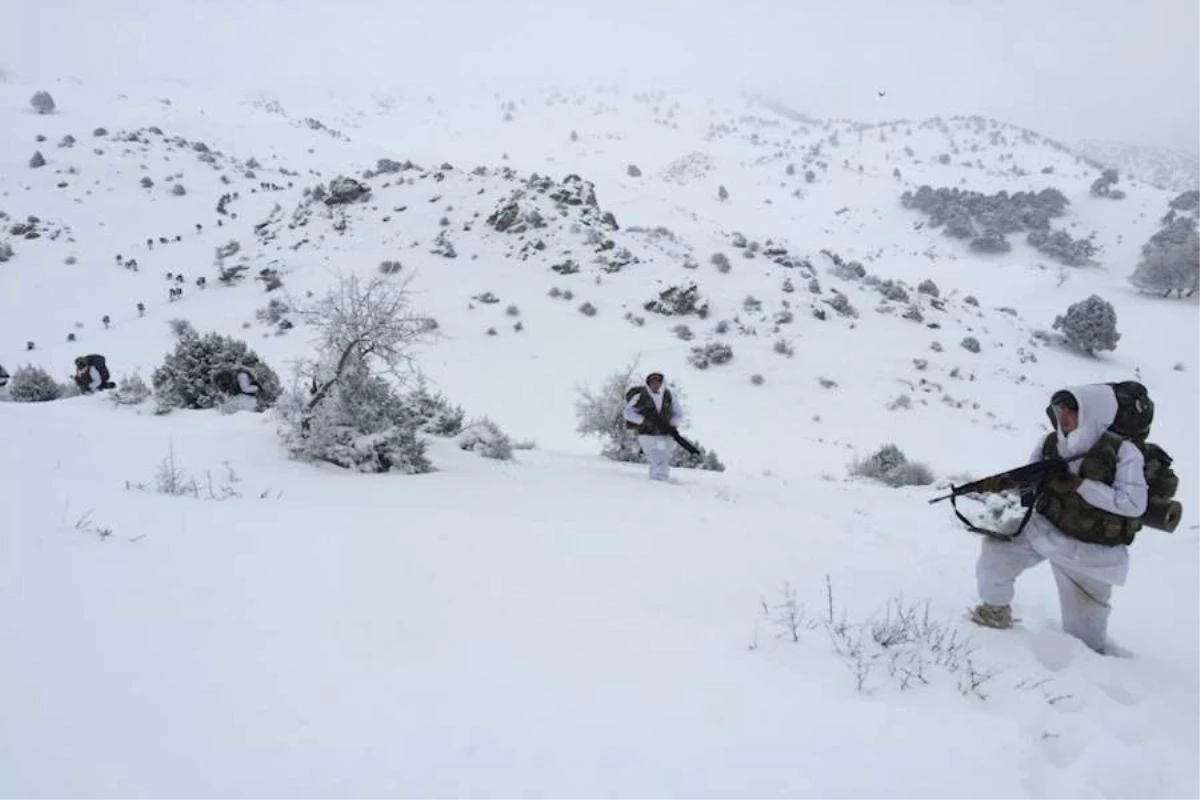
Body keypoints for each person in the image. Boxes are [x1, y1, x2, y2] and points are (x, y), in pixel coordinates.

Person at [970, 384, 1148, 654]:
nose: (1063, 417)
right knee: (998, 551)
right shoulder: (1050, 442)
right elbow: (1030, 478)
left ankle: (1093, 677)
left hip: (1091, 552)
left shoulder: (1124, 453)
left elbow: (1134, 504)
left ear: (1092, 412)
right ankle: (994, 612)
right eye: (1059, 410)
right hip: (1045, 528)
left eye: (1071, 411)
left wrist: (1080, 486)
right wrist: (1005, 483)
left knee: (1085, 639)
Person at [623, 371, 684, 482]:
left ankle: (656, 481)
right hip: (647, 433)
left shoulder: (669, 395)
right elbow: (628, 413)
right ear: (648, 383)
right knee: (657, 455)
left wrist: (671, 426)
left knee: (662, 458)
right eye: (652, 382)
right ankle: (659, 481)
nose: (655, 384)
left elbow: (678, 413)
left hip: (666, 433)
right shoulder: (640, 395)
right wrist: (644, 421)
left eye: (658, 382)